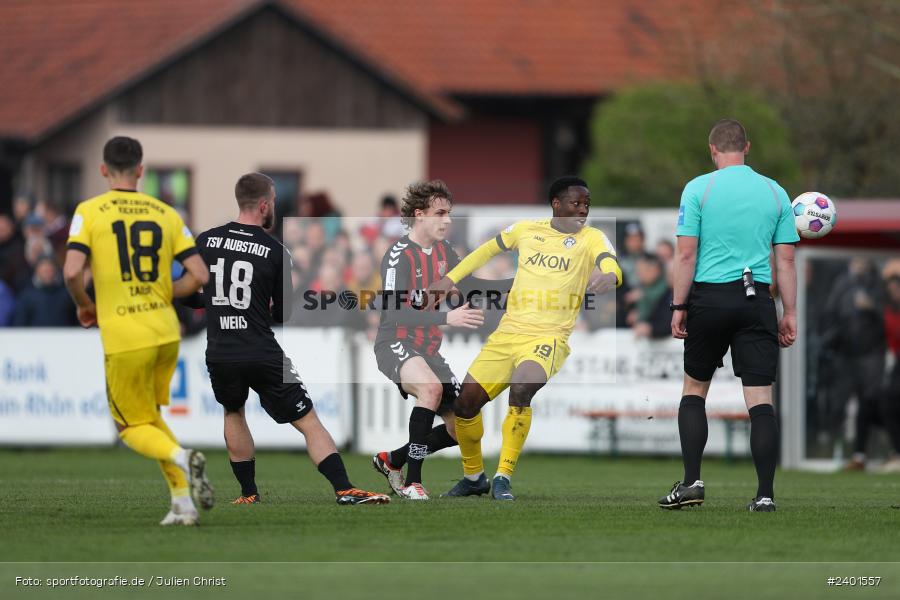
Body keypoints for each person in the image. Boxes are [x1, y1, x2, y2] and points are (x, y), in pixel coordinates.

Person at [184, 172, 389, 506]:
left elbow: (189, 296)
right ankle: (344, 488)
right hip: (262, 351)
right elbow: (282, 314)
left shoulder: (206, 241)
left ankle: (248, 494)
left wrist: (215, 300)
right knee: (307, 419)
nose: (275, 207)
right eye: (275, 202)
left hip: (220, 350)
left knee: (233, 413)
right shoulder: (274, 251)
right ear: (264, 204)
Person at [429, 176, 622, 500]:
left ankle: (503, 476)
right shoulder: (526, 229)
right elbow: (484, 252)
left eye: (586, 204)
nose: (582, 210)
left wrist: (610, 276)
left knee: (522, 389)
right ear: (556, 204)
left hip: (549, 336)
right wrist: (449, 279)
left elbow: (610, 264)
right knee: (465, 406)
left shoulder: (592, 238)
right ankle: (474, 477)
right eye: (576, 203)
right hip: (507, 334)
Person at [63, 136, 213, 526]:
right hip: (165, 330)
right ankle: (183, 502)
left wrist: (84, 304)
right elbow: (199, 275)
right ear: (141, 171)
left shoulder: (90, 210)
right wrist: (166, 292)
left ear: (102, 170)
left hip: (126, 334)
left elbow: (70, 271)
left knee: (128, 426)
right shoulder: (166, 212)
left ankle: (184, 457)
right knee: (149, 417)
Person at [658, 119, 798, 513]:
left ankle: (691, 483)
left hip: (710, 298)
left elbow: (686, 254)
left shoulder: (699, 187)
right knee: (760, 402)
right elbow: (785, 259)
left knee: (694, 391)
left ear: (713, 149)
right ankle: (766, 495)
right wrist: (791, 313)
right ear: (747, 147)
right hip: (757, 301)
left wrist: (678, 306)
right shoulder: (775, 192)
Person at [371, 180, 487, 500]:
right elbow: (395, 313)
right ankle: (413, 482)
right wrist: (446, 317)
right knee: (431, 389)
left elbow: (472, 284)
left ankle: (393, 460)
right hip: (394, 342)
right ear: (419, 215)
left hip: (428, 348)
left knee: (460, 425)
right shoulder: (398, 256)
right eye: (440, 213)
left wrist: (522, 284)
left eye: (449, 213)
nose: (447, 220)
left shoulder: (444, 251)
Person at [821, 258, 886, 471]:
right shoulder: (842, 283)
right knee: (838, 405)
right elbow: (830, 311)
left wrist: (871, 307)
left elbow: (887, 314)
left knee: (868, 403)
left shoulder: (877, 282)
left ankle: (863, 453)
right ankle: (836, 451)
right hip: (845, 354)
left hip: (871, 354)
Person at [12, 256, 77, 326]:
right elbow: (19, 324)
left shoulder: (67, 295)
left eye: (50, 270)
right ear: (37, 271)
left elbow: (75, 320)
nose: (47, 274)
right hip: (35, 336)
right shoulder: (27, 296)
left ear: (55, 270)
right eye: (44, 271)